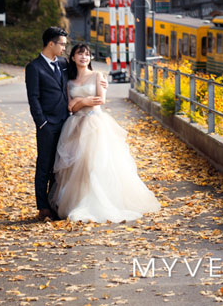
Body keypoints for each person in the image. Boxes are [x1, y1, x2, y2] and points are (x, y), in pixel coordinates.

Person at [50, 43, 160, 222]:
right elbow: (69, 107)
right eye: (80, 54)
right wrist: (80, 101)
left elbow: (99, 100)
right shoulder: (69, 80)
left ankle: (100, 201)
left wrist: (80, 101)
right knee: (77, 165)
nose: (84, 57)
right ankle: (77, 200)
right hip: (75, 124)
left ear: (91, 58)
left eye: (87, 54)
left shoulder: (97, 75)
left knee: (95, 163)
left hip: (95, 124)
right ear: (72, 58)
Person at [25, 27, 70, 221]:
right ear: (51, 44)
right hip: (47, 124)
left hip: (65, 122)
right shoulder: (34, 67)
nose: (64, 49)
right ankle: (43, 207)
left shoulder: (63, 63)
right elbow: (33, 98)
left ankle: (54, 204)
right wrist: (41, 122)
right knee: (44, 165)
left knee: (59, 166)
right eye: (62, 44)